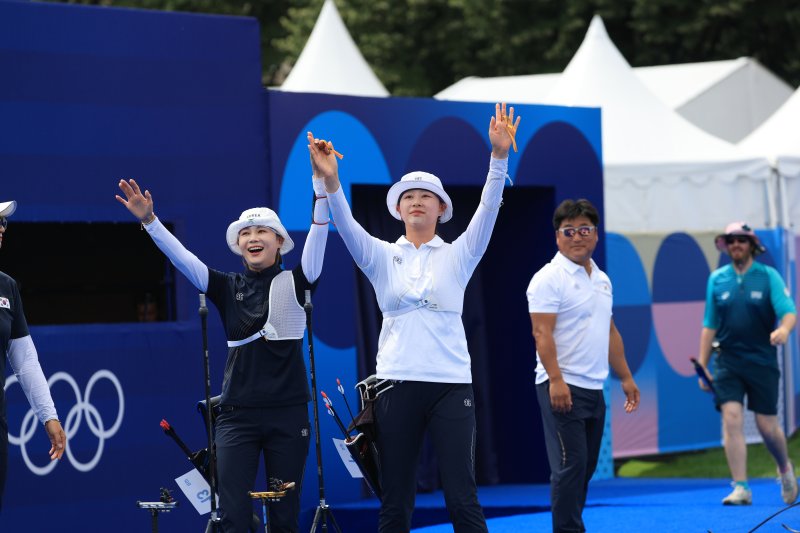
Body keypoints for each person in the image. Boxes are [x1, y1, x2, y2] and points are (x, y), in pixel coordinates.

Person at [307, 102, 520, 533]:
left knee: (462, 496)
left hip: (451, 385)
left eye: (427, 197)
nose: (418, 202)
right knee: (396, 499)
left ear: (441, 209)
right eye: (409, 197)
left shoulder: (460, 253)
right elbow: (345, 224)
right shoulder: (381, 256)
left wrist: (498, 158)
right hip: (396, 386)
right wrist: (330, 180)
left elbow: (489, 207)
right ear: (398, 210)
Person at [116, 164, 330, 532]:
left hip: (288, 415)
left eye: (262, 230)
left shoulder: (298, 281)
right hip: (236, 417)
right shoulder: (225, 286)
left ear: (279, 241)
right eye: (246, 232)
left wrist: (321, 190)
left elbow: (319, 234)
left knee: (284, 518)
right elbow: (182, 258)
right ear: (239, 245)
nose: (253, 237)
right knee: (231, 516)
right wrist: (151, 221)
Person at [526, 198, 640, 533]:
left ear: (596, 234)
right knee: (569, 466)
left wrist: (627, 377)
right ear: (557, 237)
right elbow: (541, 332)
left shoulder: (602, 279)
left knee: (585, 467)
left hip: (594, 387)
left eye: (585, 230)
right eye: (569, 231)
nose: (578, 237)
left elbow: (610, 331)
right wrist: (556, 380)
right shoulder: (548, 278)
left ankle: (570, 526)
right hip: (560, 385)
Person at [696, 221, 797, 506]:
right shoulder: (717, 279)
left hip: (762, 360)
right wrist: (703, 367)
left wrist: (784, 330)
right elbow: (709, 325)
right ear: (726, 246)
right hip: (727, 360)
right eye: (731, 241)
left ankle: (785, 468)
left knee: (767, 426)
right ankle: (741, 487)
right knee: (731, 417)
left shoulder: (768, 276)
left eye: (742, 240)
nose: (736, 245)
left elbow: (789, 312)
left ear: (752, 245)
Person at [0, 200, 66, 509]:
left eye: (4, 223)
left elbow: (25, 361)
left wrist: (48, 415)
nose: (2, 228)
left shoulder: (7, 287)